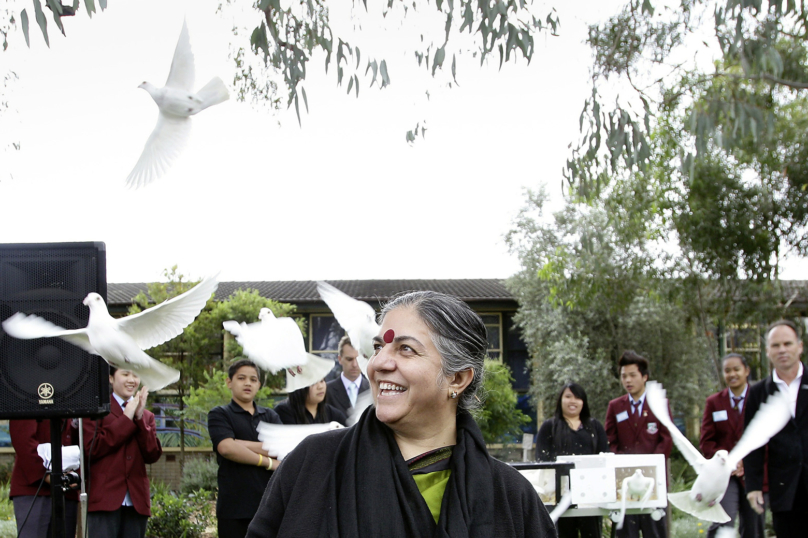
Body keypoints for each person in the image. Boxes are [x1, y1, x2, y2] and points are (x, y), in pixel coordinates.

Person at [246, 291, 555, 537]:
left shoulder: (512, 498)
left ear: (457, 379)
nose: (378, 364)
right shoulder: (312, 465)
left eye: (406, 349)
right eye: (379, 347)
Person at [744, 319, 808, 538]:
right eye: (775, 345)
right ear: (767, 351)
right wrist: (753, 487)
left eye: (788, 344)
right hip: (784, 489)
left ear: (800, 346)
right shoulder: (758, 392)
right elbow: (753, 443)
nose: (782, 350)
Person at [83, 367, 162, 538]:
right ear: (111, 378)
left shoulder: (147, 416)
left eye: (135, 375)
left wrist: (139, 418)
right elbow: (91, 449)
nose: (131, 380)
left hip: (136, 501)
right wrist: (126, 419)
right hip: (104, 499)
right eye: (125, 374)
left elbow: (152, 454)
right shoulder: (95, 411)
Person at [208, 358, 282, 538]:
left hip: (268, 507)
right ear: (229, 382)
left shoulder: (270, 416)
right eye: (241, 378)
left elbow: (281, 448)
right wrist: (267, 462)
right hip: (234, 510)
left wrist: (240, 444)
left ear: (259, 385)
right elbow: (226, 448)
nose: (248, 383)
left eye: (253, 379)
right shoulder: (220, 414)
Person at [604, 351, 672, 538]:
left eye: (633, 375)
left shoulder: (659, 404)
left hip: (653, 482)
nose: (628, 380)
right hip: (624, 483)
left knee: (655, 531)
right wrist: (623, 466)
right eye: (624, 376)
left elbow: (666, 439)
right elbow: (610, 441)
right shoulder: (615, 406)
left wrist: (650, 467)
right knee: (626, 532)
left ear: (644, 377)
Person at [700, 353, 764, 538]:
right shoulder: (714, 402)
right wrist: (728, 461)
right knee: (723, 521)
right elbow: (706, 441)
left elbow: (767, 437)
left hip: (755, 473)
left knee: (754, 526)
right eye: (727, 370)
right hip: (724, 475)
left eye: (736, 369)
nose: (732, 374)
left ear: (746, 371)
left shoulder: (759, 398)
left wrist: (748, 461)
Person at [536, 382, 608, 538]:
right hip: (561, 495)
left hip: (591, 494)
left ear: (584, 402)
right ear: (560, 400)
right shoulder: (549, 427)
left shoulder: (595, 427)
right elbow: (542, 459)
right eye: (568, 396)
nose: (573, 401)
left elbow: (604, 458)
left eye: (578, 397)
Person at [9, 419, 79, 538]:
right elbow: (23, 440)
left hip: (67, 489)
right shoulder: (27, 400)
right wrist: (47, 476)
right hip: (35, 490)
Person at [274, 355, 348, 425]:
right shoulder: (283, 413)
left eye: (322, 381)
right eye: (313, 383)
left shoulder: (333, 415)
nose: (320, 387)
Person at [326, 335, 370, 414]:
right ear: (340, 359)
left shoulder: (372, 390)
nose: (355, 364)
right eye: (349, 359)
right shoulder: (327, 391)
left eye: (358, 359)